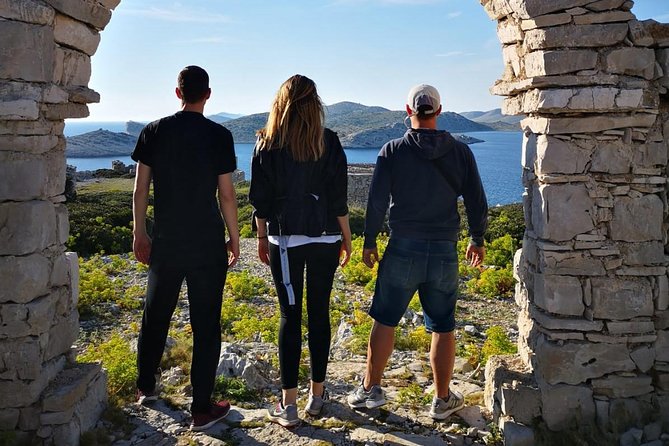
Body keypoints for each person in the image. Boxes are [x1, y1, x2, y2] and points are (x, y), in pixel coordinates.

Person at [347, 84, 487, 420]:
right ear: (439, 111)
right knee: (443, 325)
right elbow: (476, 201)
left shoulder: (392, 150)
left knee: (385, 318)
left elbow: (377, 201)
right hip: (443, 250)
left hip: (402, 247)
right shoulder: (461, 152)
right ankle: (441, 399)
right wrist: (477, 238)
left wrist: (368, 241)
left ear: (408, 111)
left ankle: (371, 389)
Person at [131, 65, 240, 431]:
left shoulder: (154, 132)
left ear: (177, 93)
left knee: (155, 314)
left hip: (165, 240)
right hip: (207, 243)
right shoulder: (220, 136)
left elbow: (141, 190)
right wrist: (235, 238)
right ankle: (202, 408)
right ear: (208, 94)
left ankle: (146, 388)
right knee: (206, 324)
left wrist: (139, 233)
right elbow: (227, 194)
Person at [249, 74, 352, 427]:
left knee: (289, 316)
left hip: (285, 238)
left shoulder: (265, 142)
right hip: (325, 237)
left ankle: (288, 405)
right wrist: (347, 237)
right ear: (316, 104)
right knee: (319, 313)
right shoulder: (330, 141)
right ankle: (318, 395)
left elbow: (260, 201)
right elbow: (340, 196)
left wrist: (262, 237)